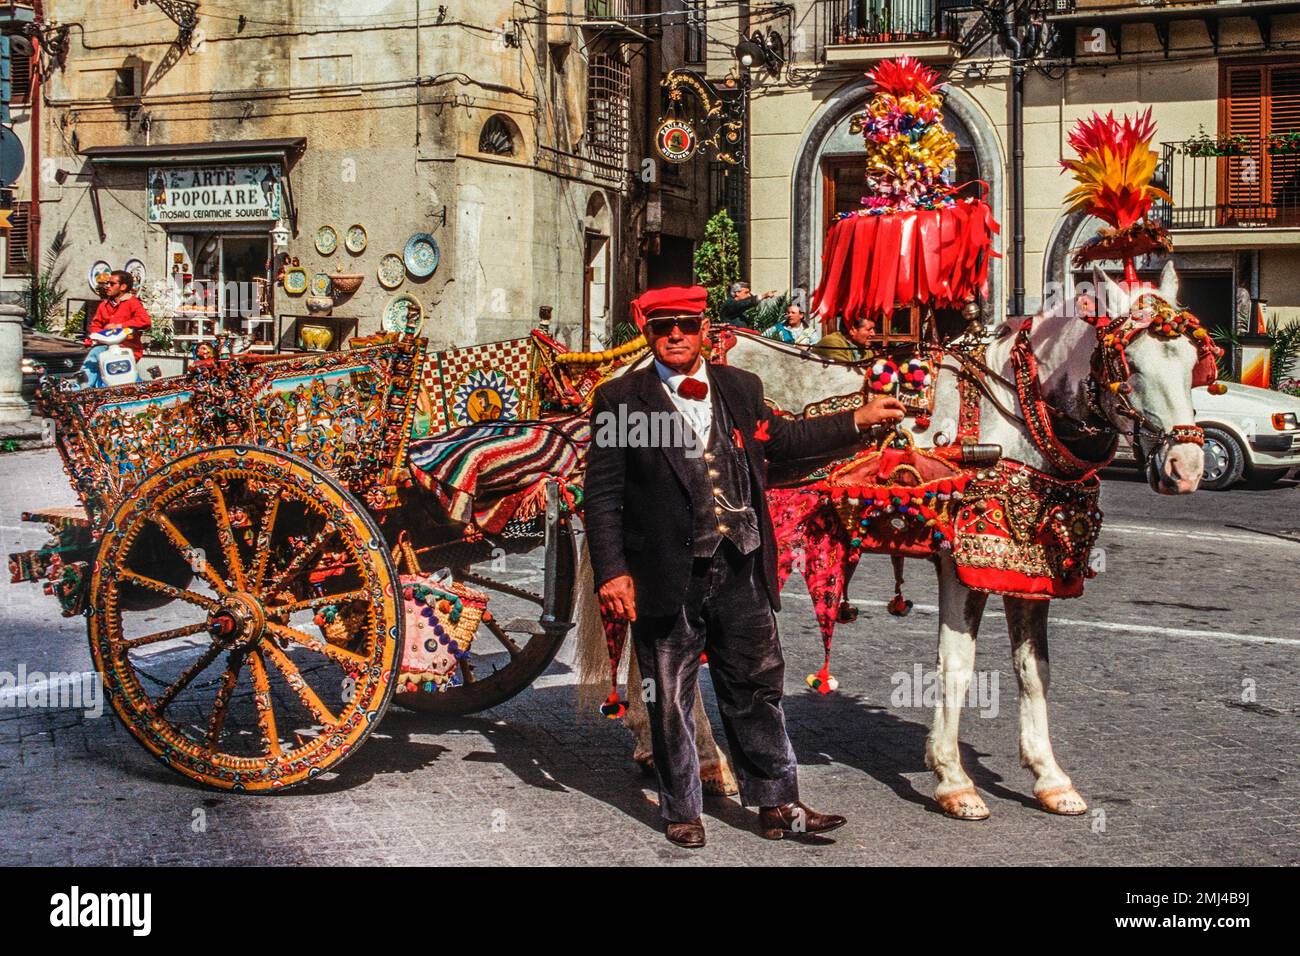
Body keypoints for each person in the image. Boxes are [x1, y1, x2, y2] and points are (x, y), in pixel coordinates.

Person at [585, 285, 906, 848]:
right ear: (649, 333)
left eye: (685, 324)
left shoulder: (741, 388)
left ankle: (778, 803)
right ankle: (682, 807)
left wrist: (858, 419)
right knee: (670, 694)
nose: (676, 336)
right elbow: (603, 495)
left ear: (704, 327)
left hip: (741, 564)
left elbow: (784, 441)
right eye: (664, 327)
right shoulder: (621, 400)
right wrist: (612, 572)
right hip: (666, 572)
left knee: (756, 686)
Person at [81, 270, 151, 387]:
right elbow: (95, 326)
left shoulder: (132, 303)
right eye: (107, 283)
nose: (107, 286)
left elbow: (145, 321)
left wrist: (119, 326)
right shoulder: (104, 305)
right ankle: (82, 390)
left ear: (123, 287)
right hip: (106, 347)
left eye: (112, 284)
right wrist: (96, 337)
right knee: (94, 354)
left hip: (129, 347)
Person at [811, 313, 877, 363]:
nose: (873, 334)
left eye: (874, 329)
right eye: (869, 329)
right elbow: (844, 374)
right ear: (852, 330)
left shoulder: (866, 350)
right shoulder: (832, 343)